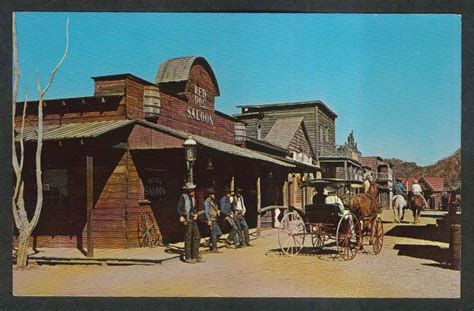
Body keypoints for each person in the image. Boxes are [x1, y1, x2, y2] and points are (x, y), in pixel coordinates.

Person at [177, 182, 202, 264]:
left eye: (193, 190)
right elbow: (179, 207)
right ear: (188, 190)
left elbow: (194, 209)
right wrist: (181, 215)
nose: (192, 191)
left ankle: (195, 256)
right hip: (187, 219)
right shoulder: (183, 197)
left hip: (193, 219)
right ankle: (188, 257)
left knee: (197, 236)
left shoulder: (193, 198)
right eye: (191, 190)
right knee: (188, 237)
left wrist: (196, 214)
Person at [204, 187, 223, 253]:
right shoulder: (207, 202)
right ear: (210, 195)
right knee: (214, 234)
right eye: (213, 194)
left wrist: (218, 210)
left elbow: (216, 209)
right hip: (211, 219)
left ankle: (209, 242)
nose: (214, 195)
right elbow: (206, 212)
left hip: (215, 219)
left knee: (219, 233)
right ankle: (214, 248)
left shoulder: (214, 202)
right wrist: (208, 220)